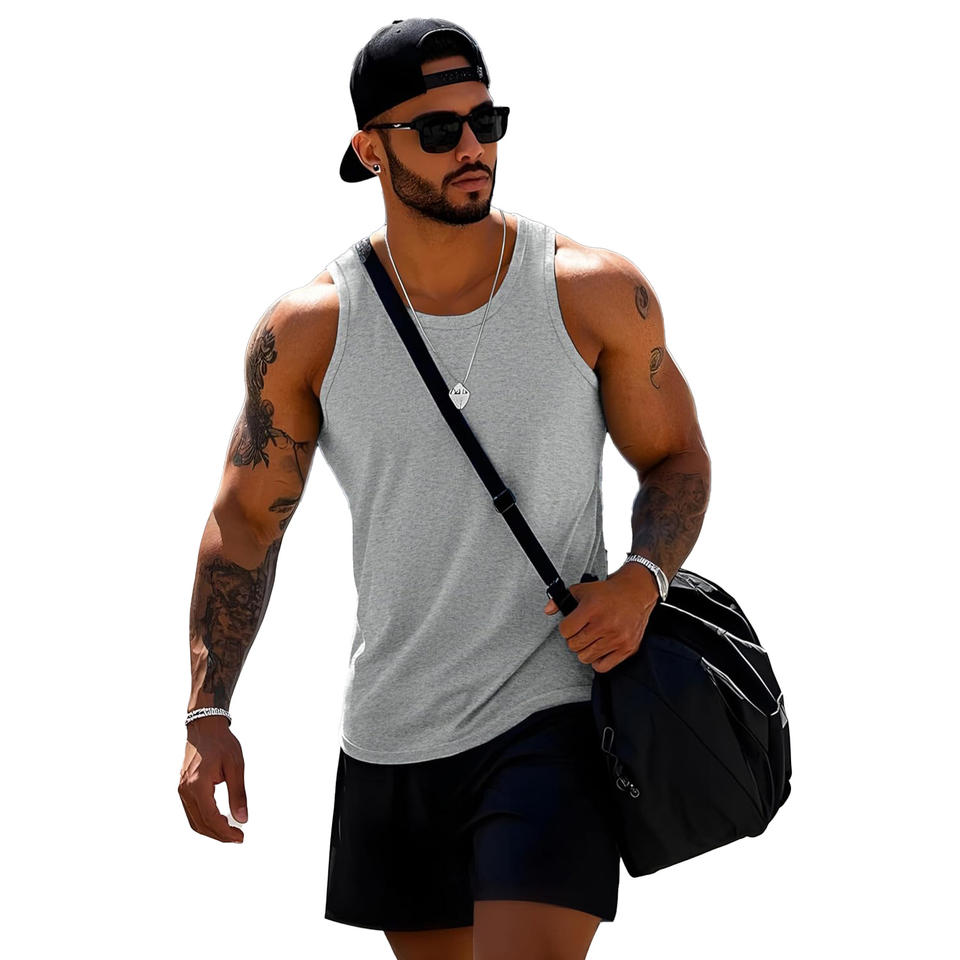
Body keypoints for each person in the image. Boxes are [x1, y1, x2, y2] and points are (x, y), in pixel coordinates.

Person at [178, 17, 711, 960]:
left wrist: (642, 581)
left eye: (486, 121)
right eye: (438, 129)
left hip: (551, 714)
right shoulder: (309, 332)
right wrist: (208, 709)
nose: (473, 147)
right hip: (393, 732)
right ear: (369, 149)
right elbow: (246, 526)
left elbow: (676, 460)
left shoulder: (590, 292)